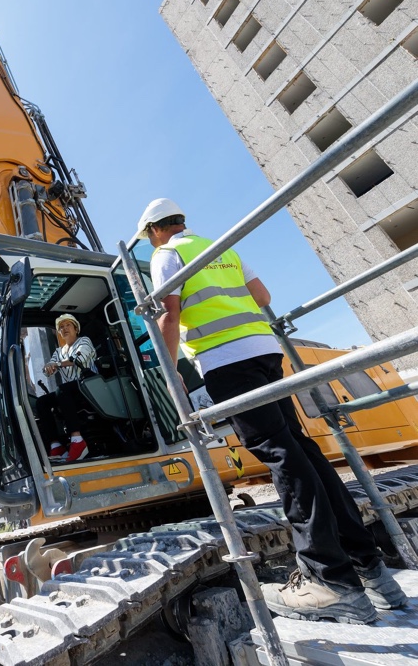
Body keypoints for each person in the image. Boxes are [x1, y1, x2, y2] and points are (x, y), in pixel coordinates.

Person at [137, 198, 406, 624]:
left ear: (154, 230)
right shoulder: (220, 247)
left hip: (226, 362)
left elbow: (171, 315)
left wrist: (168, 376)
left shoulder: (165, 255)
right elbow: (262, 295)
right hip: (266, 353)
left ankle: (330, 579)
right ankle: (370, 569)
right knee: (300, 448)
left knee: (280, 454)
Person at [36, 314, 96, 463]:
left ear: (75, 328)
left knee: (62, 390)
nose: (64, 329)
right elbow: (48, 368)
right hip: (71, 391)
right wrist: (48, 368)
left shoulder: (84, 341)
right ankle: (56, 445)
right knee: (42, 402)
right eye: (61, 327)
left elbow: (79, 359)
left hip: (89, 385)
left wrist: (55, 365)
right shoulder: (59, 351)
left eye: (67, 325)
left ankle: (77, 440)